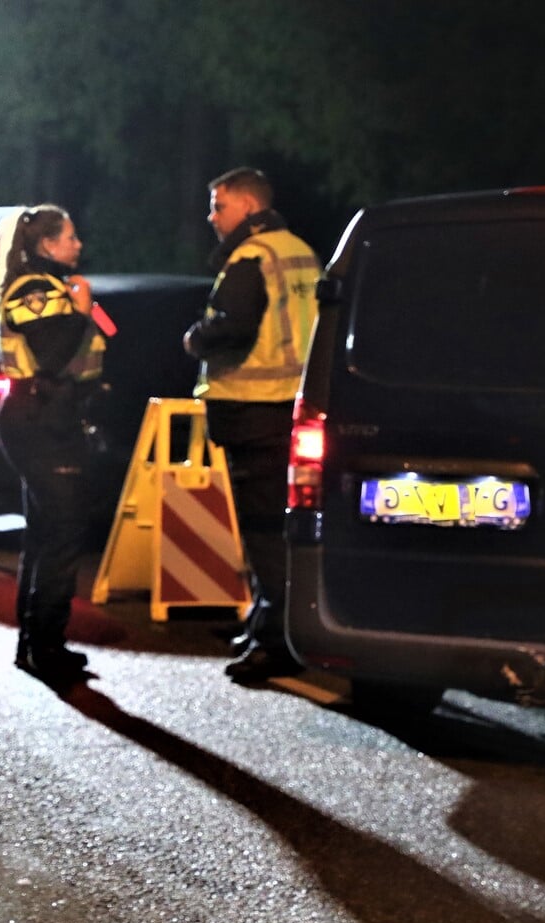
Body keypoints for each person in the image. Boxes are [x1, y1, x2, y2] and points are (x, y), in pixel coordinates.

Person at [182, 167, 320, 684]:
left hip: (255, 407)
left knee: (265, 533)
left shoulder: (250, 258)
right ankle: (266, 620)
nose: (212, 217)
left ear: (246, 206)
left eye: (218, 205)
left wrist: (196, 339)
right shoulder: (301, 251)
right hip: (294, 407)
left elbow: (233, 328)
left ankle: (274, 644)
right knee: (283, 529)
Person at [0, 204, 106, 685]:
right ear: (45, 245)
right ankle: (45, 647)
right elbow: (53, 354)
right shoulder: (33, 288)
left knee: (45, 535)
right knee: (61, 536)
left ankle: (36, 644)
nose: (78, 245)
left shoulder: (50, 286)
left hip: (49, 416)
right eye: (70, 237)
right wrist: (81, 313)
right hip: (42, 418)